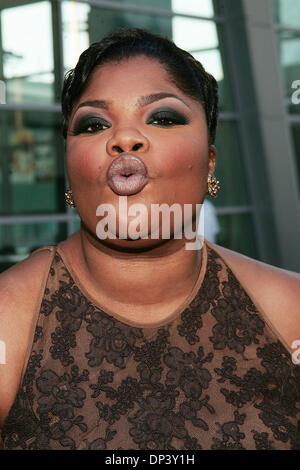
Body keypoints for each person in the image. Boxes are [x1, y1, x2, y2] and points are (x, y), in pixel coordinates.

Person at [0, 28, 299, 451]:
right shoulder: (6, 325)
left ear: (211, 161)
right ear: (70, 169)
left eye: (162, 117)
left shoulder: (292, 314)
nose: (124, 139)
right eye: (94, 124)